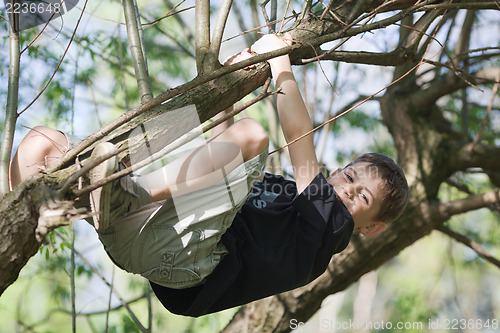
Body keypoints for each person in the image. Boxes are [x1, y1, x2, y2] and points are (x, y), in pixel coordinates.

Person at [9, 33, 408, 317]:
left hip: (182, 264)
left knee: (254, 135)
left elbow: (300, 147)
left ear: (370, 229)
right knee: (42, 143)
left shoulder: (327, 233)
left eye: (361, 199)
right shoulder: (286, 195)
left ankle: (129, 192)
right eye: (349, 177)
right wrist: (230, 88)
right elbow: (216, 170)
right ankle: (21, 220)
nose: (345, 191)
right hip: (143, 232)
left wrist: (279, 61)